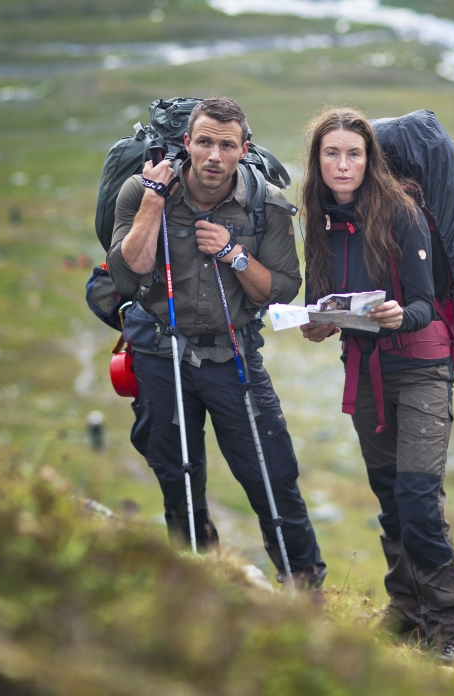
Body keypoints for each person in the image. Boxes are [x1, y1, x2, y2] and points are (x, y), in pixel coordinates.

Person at [107, 96, 326, 589]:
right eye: (203, 142)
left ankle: (305, 587)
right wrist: (150, 204)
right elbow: (125, 273)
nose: (213, 156)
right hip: (159, 353)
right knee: (177, 474)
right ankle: (198, 578)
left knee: (272, 472)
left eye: (226, 145)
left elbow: (283, 289)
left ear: (242, 149)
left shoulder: (264, 203)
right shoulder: (139, 191)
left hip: (235, 355)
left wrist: (234, 255)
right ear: (186, 144)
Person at [300, 107, 454, 658]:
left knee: (419, 500)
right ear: (318, 160)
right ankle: (406, 612)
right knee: (390, 498)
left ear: (369, 158)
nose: (343, 164)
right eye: (332, 153)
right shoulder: (319, 216)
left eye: (354, 153)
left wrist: (403, 315)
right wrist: (317, 323)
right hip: (365, 372)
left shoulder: (401, 213)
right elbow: (319, 299)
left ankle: (450, 631)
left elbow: (425, 303)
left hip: (421, 367)